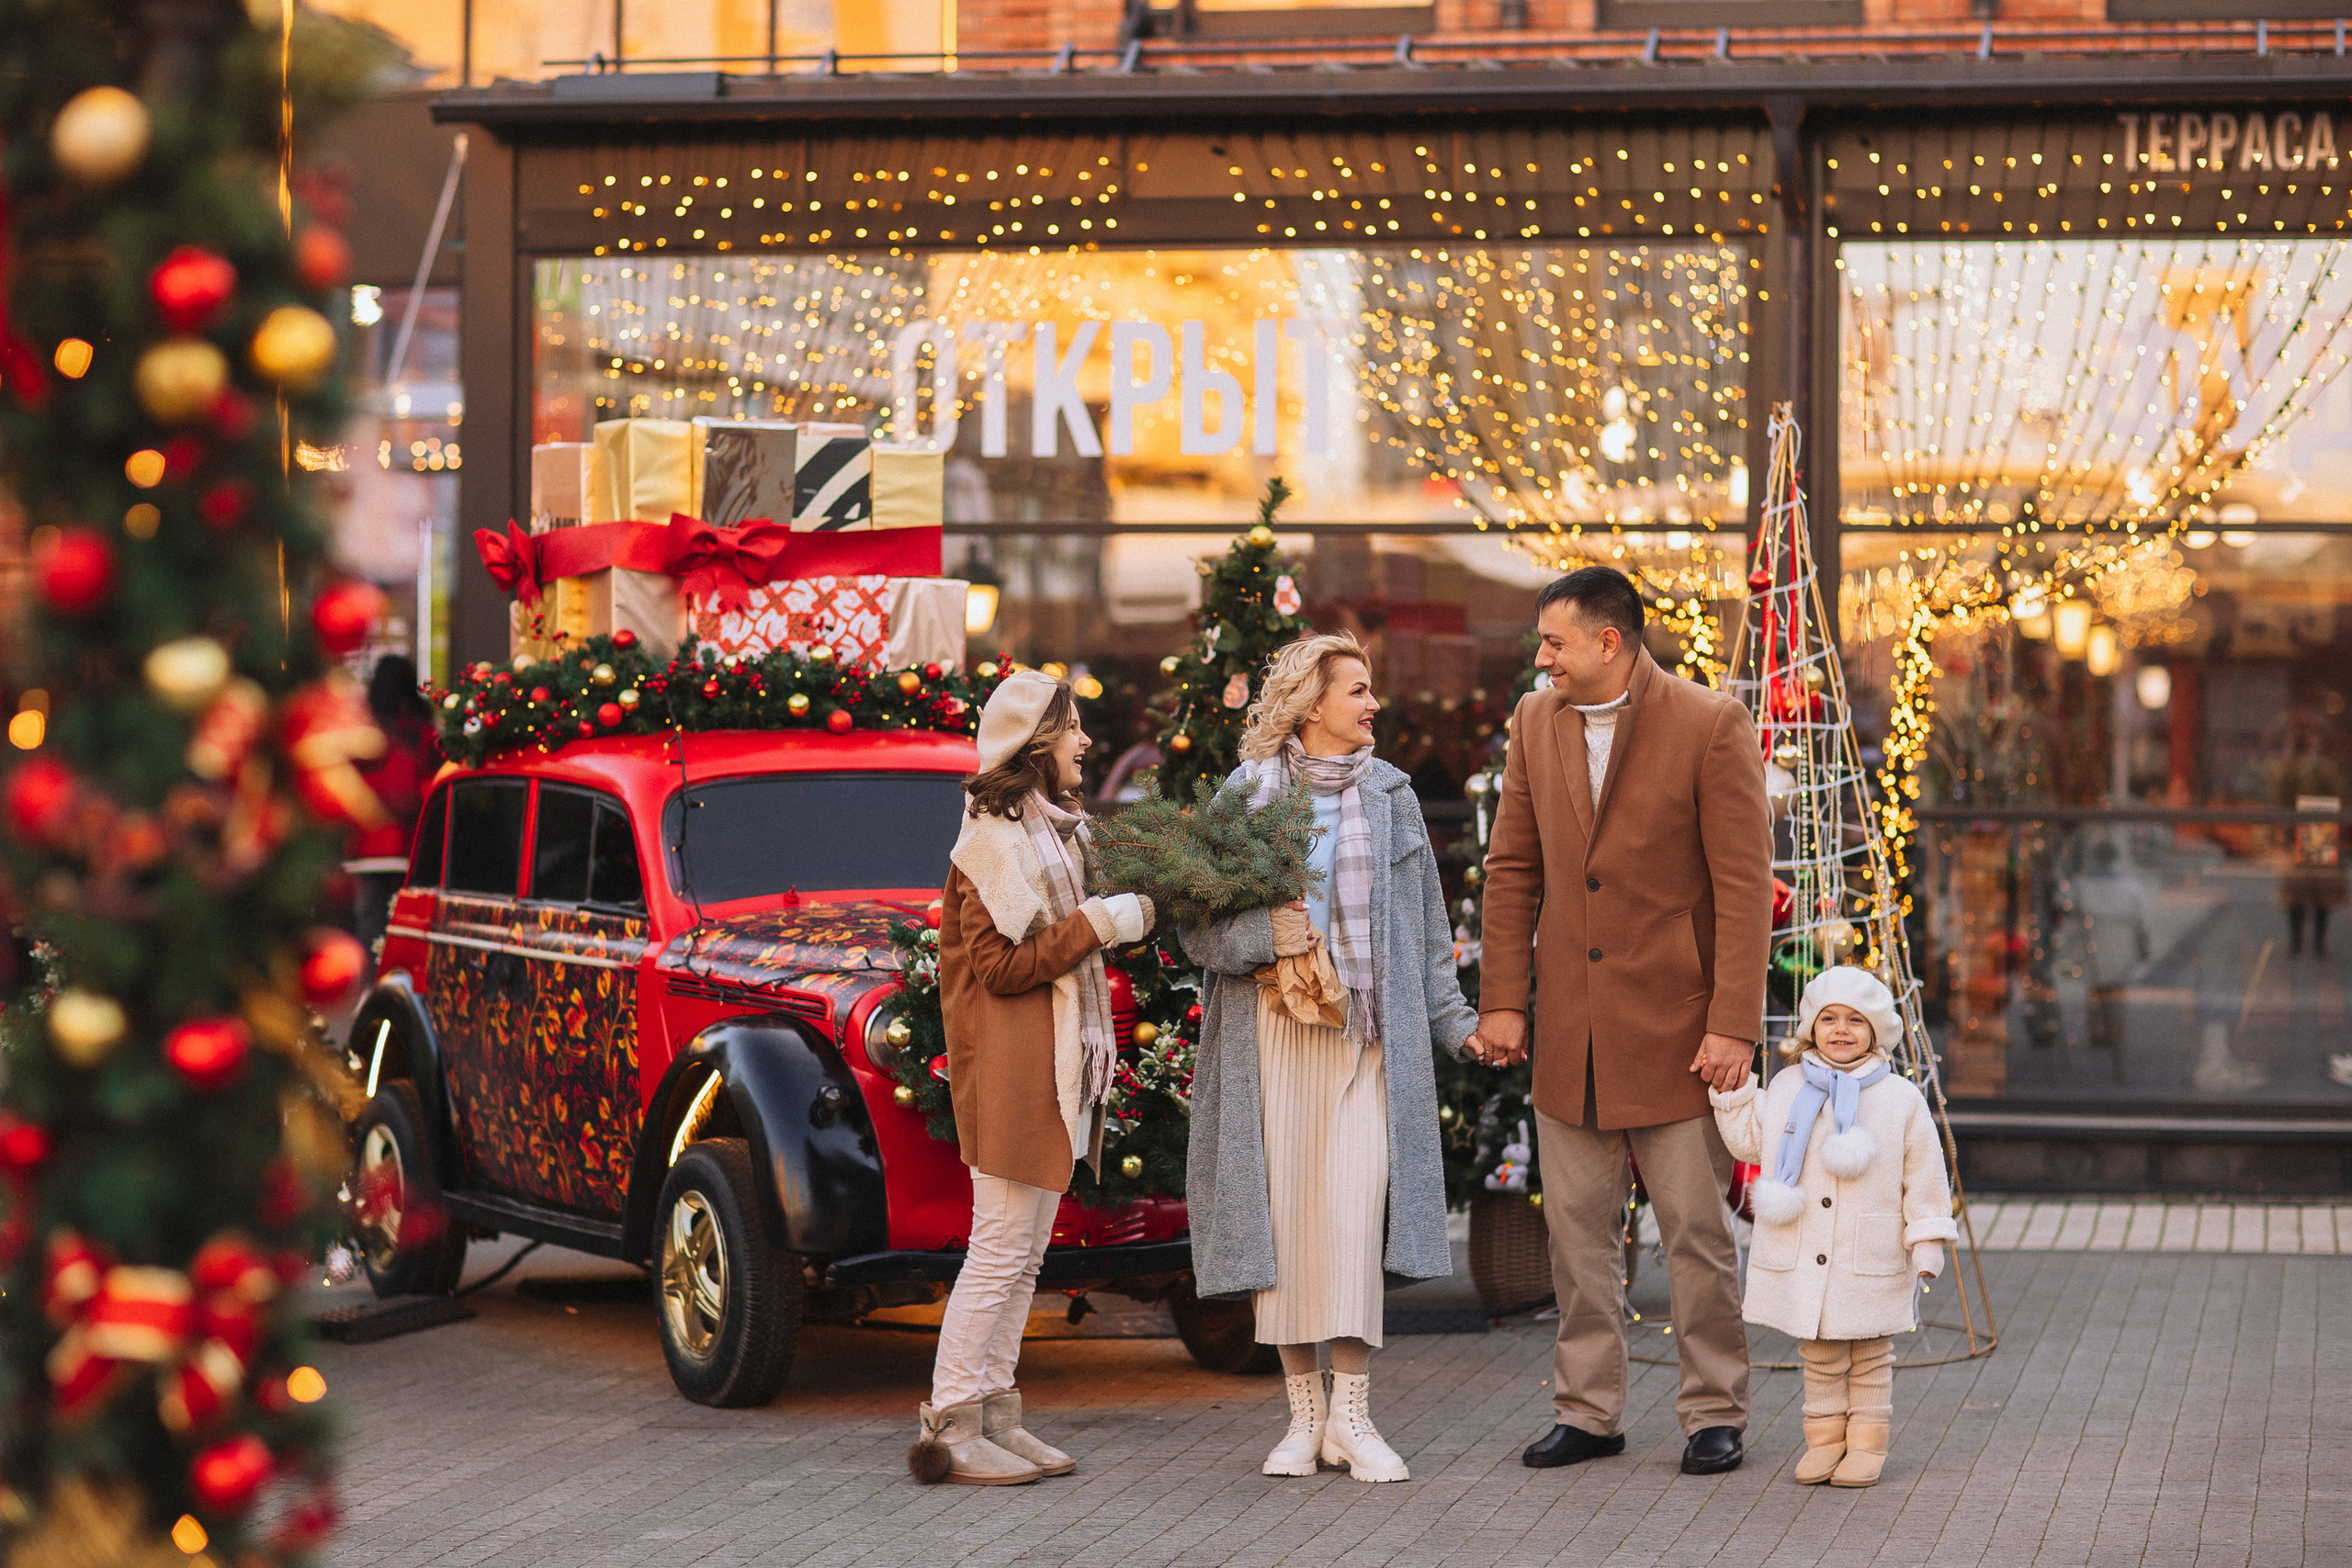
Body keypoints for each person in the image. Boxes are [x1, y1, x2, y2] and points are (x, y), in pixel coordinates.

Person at [1475, 565, 1772, 1477]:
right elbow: (1511, 867)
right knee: (1574, 1235)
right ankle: (1588, 1410)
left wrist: (1731, 1023)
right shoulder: (1534, 719)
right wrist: (1501, 1002)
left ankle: (1714, 1410)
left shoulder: (1708, 722)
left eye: (1554, 642)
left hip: (1680, 1034)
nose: (1541, 658)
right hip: (1570, 1030)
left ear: (1610, 642)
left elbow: (1741, 886)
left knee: (1694, 1234)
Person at [1180, 631, 1479, 1483]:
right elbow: (1195, 927)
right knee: (1287, 1229)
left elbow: (1427, 933)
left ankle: (1354, 1414)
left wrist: (1457, 1026)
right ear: (1312, 704)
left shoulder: (1393, 796)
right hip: (1271, 1035)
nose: (1373, 703)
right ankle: (1303, 1419)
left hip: (1366, 1039)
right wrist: (1256, 934)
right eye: (1357, 689)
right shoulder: (1247, 797)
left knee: (1350, 1218)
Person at [909, 671, 1153, 1486]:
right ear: (1035, 742)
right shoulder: (989, 844)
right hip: (1012, 1069)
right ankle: (949, 1421)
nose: (1086, 741)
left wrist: (1103, 919)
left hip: (1050, 1068)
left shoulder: (1052, 833)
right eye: (1072, 728)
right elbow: (1002, 968)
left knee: (1023, 1256)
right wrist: (1097, 923)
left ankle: (997, 1415)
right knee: (1000, 1250)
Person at [1709, 965, 1957, 1487]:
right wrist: (1732, 1095)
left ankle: (1867, 1446)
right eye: (1828, 1019)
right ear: (1809, 1028)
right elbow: (1753, 1142)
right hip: (1805, 1249)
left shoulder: (1899, 1098)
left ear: (1876, 1031)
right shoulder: (1787, 1084)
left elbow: (1925, 1174)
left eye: (1854, 1020)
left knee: (1869, 1354)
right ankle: (1824, 1442)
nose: (1840, 1029)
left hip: (1869, 1252)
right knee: (1818, 1353)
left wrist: (1927, 1239)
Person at [347, 654, 436, 979]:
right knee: (406, 923)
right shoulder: (421, 729)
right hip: (407, 843)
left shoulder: (365, 727)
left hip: (367, 842)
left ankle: (372, 986)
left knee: (369, 920)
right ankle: (399, 981)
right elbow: (430, 784)